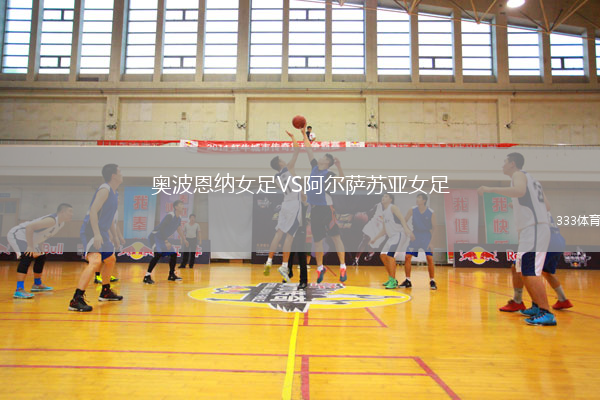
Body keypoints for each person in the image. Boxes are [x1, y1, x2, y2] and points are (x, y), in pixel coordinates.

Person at [478, 152, 555, 326]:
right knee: (521, 269)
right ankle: (536, 306)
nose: (502, 165)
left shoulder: (518, 175)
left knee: (530, 271)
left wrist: (490, 189)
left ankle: (546, 313)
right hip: (533, 228)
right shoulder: (533, 180)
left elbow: (519, 191)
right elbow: (547, 206)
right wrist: (519, 205)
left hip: (534, 228)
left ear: (512, 163)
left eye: (505, 162)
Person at [69, 164, 124, 312]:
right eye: (119, 172)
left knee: (110, 259)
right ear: (113, 175)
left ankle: (105, 291)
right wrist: (97, 234)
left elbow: (110, 218)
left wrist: (114, 236)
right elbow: (93, 211)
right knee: (95, 261)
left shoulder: (115, 194)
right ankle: (76, 299)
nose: (122, 174)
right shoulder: (104, 189)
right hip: (91, 231)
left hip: (103, 231)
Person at [301, 125, 347, 283]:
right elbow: (308, 149)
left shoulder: (329, 173)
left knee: (336, 237)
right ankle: (320, 268)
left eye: (324, 158)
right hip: (314, 210)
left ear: (327, 162)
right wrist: (303, 134)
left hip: (327, 209)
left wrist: (339, 166)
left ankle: (343, 266)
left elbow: (342, 181)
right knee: (317, 240)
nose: (320, 158)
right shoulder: (314, 168)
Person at [511, 212, 573, 316]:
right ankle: (563, 299)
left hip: (546, 241)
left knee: (521, 268)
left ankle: (524, 303)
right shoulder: (541, 208)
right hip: (558, 241)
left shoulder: (529, 208)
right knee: (547, 271)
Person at [9, 203, 73, 299]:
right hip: (18, 235)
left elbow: (43, 235)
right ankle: (19, 289)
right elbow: (29, 227)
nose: (72, 214)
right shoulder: (51, 220)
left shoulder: (61, 223)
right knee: (27, 256)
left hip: (30, 238)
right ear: (62, 212)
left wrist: (41, 248)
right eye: (70, 212)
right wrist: (30, 247)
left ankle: (37, 284)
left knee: (41, 256)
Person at [264, 131, 301, 278]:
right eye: (282, 159)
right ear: (280, 163)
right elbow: (297, 150)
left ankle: (269, 261)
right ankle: (284, 266)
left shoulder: (276, 177)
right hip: (293, 205)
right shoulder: (288, 168)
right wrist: (293, 137)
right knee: (290, 236)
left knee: (278, 233)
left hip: (285, 204)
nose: (284, 160)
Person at [368, 194, 412, 289]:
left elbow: (402, 219)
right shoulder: (384, 212)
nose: (383, 198)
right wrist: (375, 238)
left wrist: (406, 229)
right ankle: (392, 278)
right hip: (392, 237)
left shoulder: (393, 207)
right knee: (383, 255)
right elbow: (384, 229)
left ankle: (393, 281)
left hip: (399, 234)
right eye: (383, 196)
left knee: (390, 256)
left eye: (386, 196)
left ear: (391, 199)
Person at [399, 194, 438, 290]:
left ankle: (432, 280)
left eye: (419, 198)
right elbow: (403, 221)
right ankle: (408, 280)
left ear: (424, 200)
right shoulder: (412, 209)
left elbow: (435, 228)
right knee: (407, 257)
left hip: (426, 236)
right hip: (415, 236)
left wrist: (432, 242)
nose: (417, 199)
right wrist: (409, 232)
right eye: (417, 197)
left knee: (429, 258)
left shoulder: (431, 212)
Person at [143, 200, 187, 284]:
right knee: (158, 254)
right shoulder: (170, 215)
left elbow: (178, 228)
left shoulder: (179, 218)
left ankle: (171, 275)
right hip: (155, 237)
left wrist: (183, 238)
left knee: (173, 254)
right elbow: (162, 228)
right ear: (176, 207)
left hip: (162, 238)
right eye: (181, 204)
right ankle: (146, 276)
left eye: (183, 204)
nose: (183, 206)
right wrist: (166, 241)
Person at [353, 199, 385, 266]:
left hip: (381, 229)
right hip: (372, 224)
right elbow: (369, 213)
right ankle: (356, 259)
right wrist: (363, 214)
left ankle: (371, 253)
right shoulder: (378, 205)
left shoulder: (392, 210)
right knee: (364, 240)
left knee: (372, 244)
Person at [94, 211, 123, 284]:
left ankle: (107, 275)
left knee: (109, 259)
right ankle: (97, 276)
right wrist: (110, 235)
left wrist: (119, 236)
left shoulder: (115, 211)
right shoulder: (106, 209)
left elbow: (116, 225)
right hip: (104, 236)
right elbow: (106, 224)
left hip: (110, 236)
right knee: (101, 257)